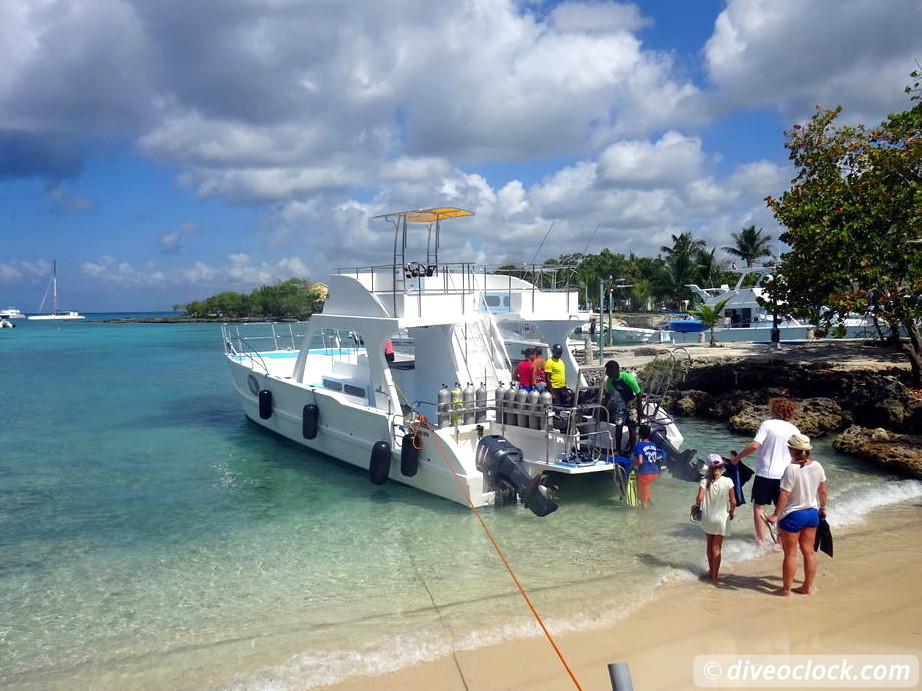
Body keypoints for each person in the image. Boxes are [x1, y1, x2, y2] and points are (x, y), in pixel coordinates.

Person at [730, 397, 799, 544]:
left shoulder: (767, 424)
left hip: (766, 474)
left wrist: (737, 458)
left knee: (759, 508)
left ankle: (761, 542)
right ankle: (780, 541)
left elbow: (755, 445)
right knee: (782, 509)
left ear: (774, 410)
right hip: (786, 475)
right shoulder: (794, 430)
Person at [767, 434, 827, 596]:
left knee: (790, 554)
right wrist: (823, 507)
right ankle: (807, 587)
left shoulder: (791, 469)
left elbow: (785, 495)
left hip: (794, 515)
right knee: (809, 552)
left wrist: (775, 515)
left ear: (793, 450)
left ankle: (786, 590)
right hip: (811, 513)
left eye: (789, 447)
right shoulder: (817, 466)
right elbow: (822, 490)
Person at [692, 453, 737, 584]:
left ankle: (711, 571)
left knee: (709, 545)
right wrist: (732, 512)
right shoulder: (728, 481)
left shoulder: (704, 481)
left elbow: (699, 498)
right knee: (717, 548)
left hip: (707, 517)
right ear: (722, 467)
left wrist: (696, 506)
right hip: (721, 518)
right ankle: (714, 577)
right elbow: (733, 501)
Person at [600, 360, 642, 454]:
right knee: (618, 425)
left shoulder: (627, 378)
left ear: (615, 370)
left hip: (632, 402)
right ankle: (617, 450)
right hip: (622, 403)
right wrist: (603, 407)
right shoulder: (610, 381)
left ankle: (632, 450)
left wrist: (640, 410)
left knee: (632, 427)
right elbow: (608, 395)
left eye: (608, 372)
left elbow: (638, 393)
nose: (607, 374)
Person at [631, 423, 660, 510]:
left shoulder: (639, 445)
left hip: (645, 475)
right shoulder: (653, 445)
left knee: (643, 500)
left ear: (640, 435)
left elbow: (640, 461)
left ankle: (645, 519)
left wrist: (632, 465)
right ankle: (650, 502)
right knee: (644, 488)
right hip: (655, 472)